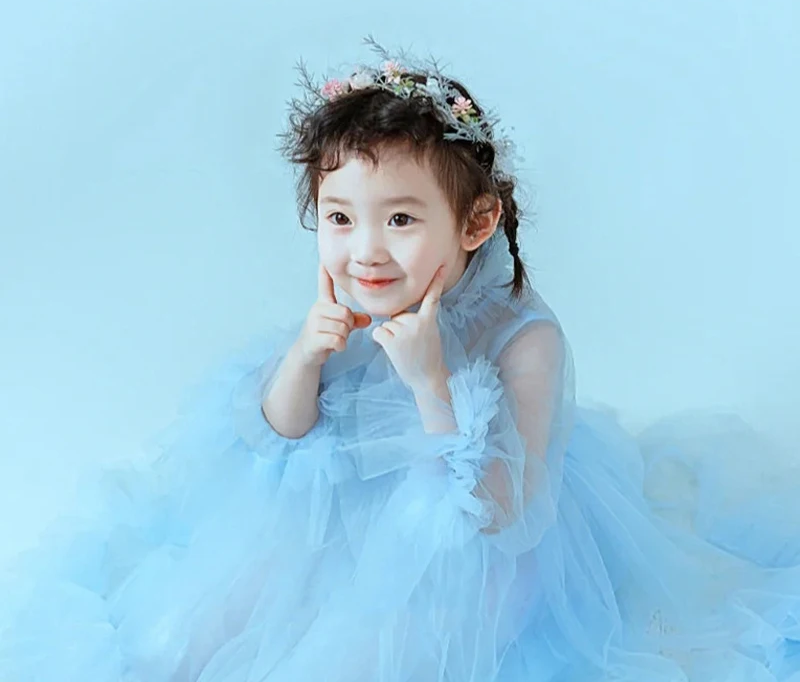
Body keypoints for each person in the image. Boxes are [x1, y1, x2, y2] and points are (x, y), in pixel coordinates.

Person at [1, 36, 799, 681]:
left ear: (476, 223)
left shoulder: (527, 337)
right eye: (341, 218)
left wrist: (430, 381)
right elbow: (277, 441)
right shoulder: (353, 300)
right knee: (181, 641)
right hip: (339, 515)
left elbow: (501, 516)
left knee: (362, 661)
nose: (366, 251)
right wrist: (306, 358)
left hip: (474, 551)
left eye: (402, 220)